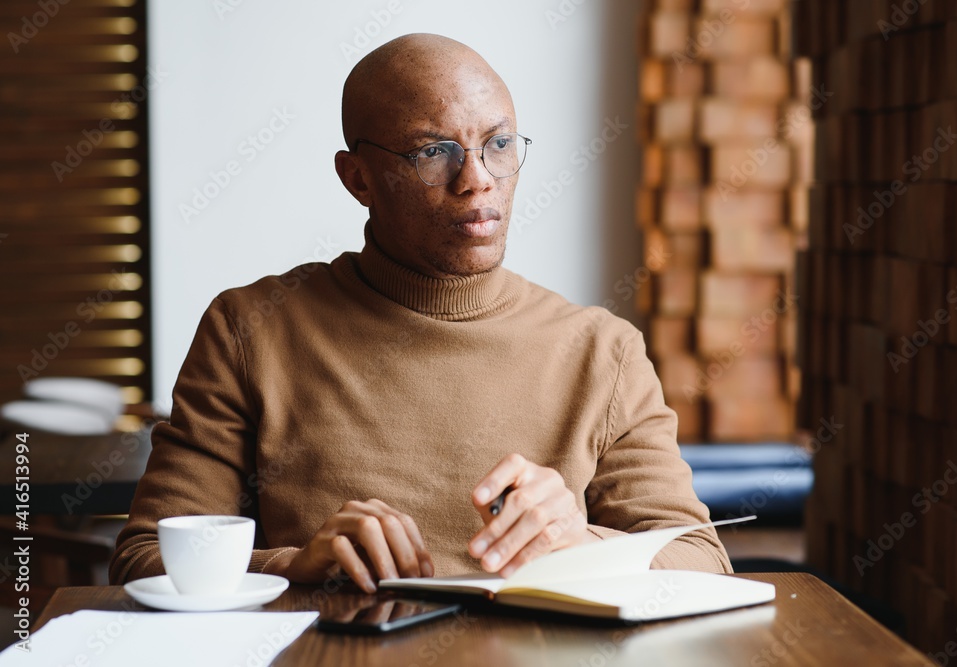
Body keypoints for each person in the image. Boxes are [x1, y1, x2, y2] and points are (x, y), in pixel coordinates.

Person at [110, 33, 731, 593]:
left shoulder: (603, 350)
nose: (477, 180)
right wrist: (290, 567)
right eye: (434, 152)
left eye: (499, 144)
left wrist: (581, 543)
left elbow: (702, 559)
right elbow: (143, 557)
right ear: (357, 179)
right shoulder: (250, 330)